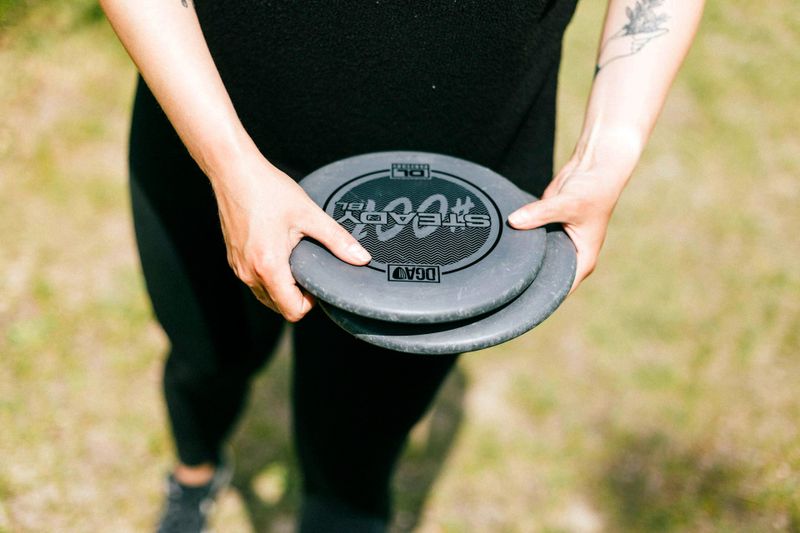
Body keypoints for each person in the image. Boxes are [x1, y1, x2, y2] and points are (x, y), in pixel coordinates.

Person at [99, 0, 705, 531]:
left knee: (357, 455)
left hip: (448, 212)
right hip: (209, 134)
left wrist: (610, 148)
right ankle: (195, 474)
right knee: (206, 361)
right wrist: (228, 165)